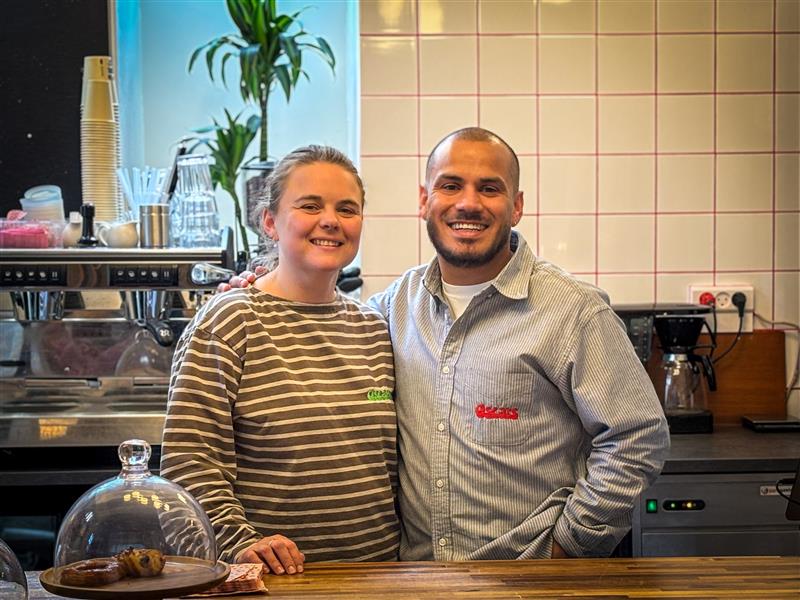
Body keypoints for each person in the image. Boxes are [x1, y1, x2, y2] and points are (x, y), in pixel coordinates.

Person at [225, 128, 670, 561]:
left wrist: (571, 543)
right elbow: (318, 317)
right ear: (425, 200)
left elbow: (637, 436)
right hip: (416, 582)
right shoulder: (392, 309)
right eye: (451, 185)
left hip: (530, 580)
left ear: (516, 207)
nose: (468, 204)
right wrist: (259, 289)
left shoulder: (573, 311)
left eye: (489, 189)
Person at [161, 145, 400, 576]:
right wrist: (241, 544)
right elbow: (189, 464)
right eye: (310, 205)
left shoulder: (373, 328)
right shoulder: (230, 320)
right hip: (274, 581)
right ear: (270, 221)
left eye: (347, 209)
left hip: (377, 577)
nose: (330, 220)